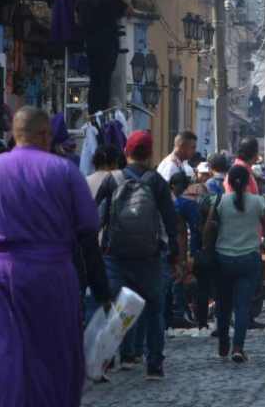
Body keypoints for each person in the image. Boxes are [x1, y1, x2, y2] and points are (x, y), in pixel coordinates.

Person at [0, 106, 110, 405]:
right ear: (45, 134)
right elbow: (88, 224)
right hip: (51, 272)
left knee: (8, 349)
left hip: (3, 272)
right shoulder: (63, 170)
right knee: (54, 349)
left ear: (14, 134)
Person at [95, 130, 179, 379]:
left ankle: (107, 360)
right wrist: (173, 252)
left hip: (115, 257)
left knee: (114, 309)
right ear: (150, 153)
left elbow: (95, 216)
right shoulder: (157, 182)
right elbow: (170, 221)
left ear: (126, 152)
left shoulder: (112, 179)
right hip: (149, 257)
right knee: (154, 309)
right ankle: (154, 364)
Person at [214, 166, 265, 362]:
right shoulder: (257, 202)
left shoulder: (221, 201)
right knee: (242, 306)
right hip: (249, 259)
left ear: (228, 182)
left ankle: (223, 342)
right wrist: (264, 243)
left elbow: (210, 227)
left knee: (223, 305)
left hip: (223, 259)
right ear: (249, 182)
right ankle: (238, 348)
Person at [75, 0, 132, 114]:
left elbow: (77, 19)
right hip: (107, 45)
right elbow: (129, 11)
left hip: (89, 44)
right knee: (105, 80)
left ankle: (93, 111)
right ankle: (102, 111)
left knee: (94, 79)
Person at [169, 172, 202, 332]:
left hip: (163, 245)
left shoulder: (166, 200)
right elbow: (194, 229)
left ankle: (175, 313)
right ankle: (178, 313)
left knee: (175, 279)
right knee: (180, 278)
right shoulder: (186, 204)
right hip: (180, 246)